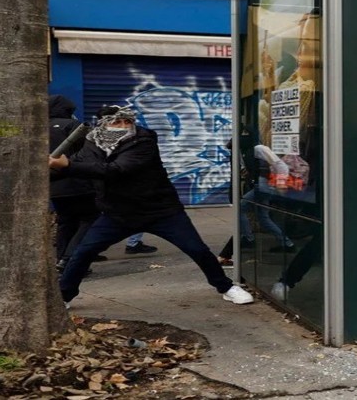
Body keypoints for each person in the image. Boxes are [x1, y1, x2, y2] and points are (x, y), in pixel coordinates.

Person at [49, 105, 253, 306]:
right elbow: (72, 167)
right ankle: (64, 296)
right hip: (118, 214)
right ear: (103, 126)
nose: (123, 126)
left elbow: (118, 169)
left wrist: (68, 165)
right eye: (116, 122)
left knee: (197, 249)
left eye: (127, 121)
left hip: (161, 211)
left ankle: (226, 287)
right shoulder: (92, 145)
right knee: (83, 253)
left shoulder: (143, 141)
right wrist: (48, 168)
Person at [49, 95, 103, 271]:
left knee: (66, 222)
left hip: (54, 186)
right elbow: (90, 153)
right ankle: (70, 259)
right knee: (90, 219)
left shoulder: (37, 127)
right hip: (79, 183)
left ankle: (61, 261)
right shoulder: (73, 127)